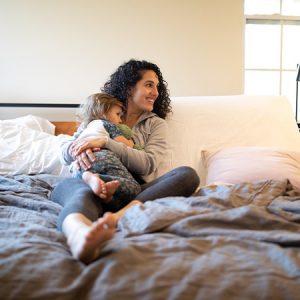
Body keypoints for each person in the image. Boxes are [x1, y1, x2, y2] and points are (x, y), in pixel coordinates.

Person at [51, 59, 200, 264]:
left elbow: (148, 164)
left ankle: (117, 218)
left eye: (157, 87)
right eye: (149, 85)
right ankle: (79, 235)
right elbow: (64, 154)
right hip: (92, 183)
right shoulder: (101, 112)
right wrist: (79, 149)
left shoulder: (155, 124)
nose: (155, 92)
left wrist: (106, 142)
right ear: (129, 87)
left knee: (187, 175)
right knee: (66, 186)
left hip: (133, 190)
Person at [69, 92, 141, 207]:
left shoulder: (84, 130)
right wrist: (132, 142)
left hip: (78, 166)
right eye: (117, 114)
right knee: (134, 188)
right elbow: (126, 145)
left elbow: (72, 149)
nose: (120, 120)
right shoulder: (107, 124)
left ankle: (89, 179)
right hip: (103, 157)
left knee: (107, 199)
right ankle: (100, 179)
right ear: (103, 113)